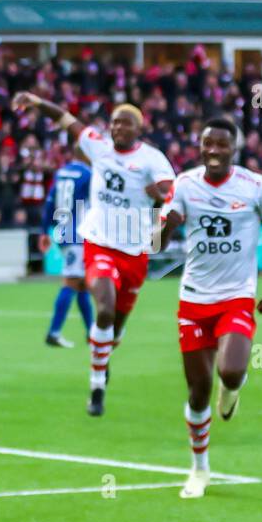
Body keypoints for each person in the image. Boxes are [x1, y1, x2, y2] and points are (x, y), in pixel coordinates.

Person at [152, 118, 262, 498]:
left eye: (221, 144)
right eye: (207, 144)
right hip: (193, 299)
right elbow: (155, 245)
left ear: (234, 148)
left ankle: (233, 388)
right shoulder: (184, 185)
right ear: (200, 148)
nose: (213, 150)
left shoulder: (255, 186)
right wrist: (162, 221)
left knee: (231, 371)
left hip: (236, 296)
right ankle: (200, 469)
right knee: (198, 392)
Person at [12, 92, 175, 416]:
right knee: (103, 308)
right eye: (114, 122)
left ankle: (106, 351)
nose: (117, 128)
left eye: (125, 124)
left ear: (138, 129)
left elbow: (171, 194)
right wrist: (36, 101)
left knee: (114, 326)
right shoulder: (97, 146)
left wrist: (158, 201)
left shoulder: (152, 159)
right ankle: (97, 385)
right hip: (98, 242)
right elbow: (65, 118)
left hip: (135, 251)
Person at [40, 149, 93, 348]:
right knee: (72, 281)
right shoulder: (88, 174)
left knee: (81, 284)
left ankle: (91, 332)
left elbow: (49, 203)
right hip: (77, 234)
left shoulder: (61, 172)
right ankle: (53, 332)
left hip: (62, 230)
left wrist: (44, 231)